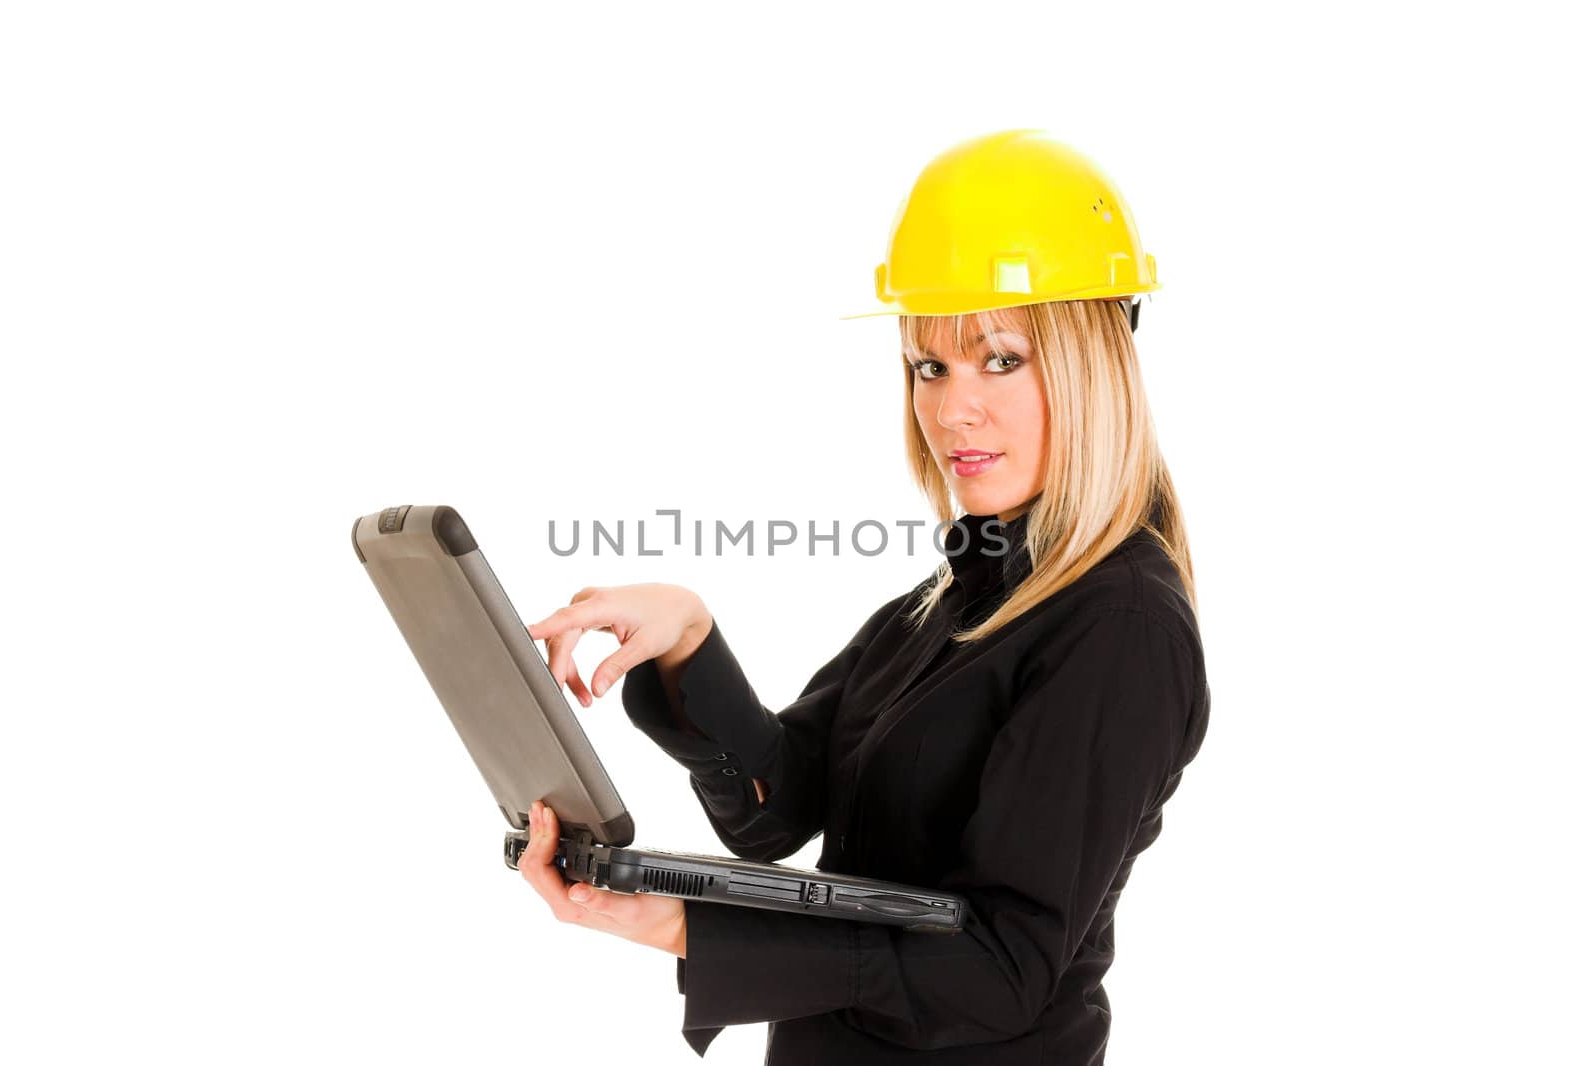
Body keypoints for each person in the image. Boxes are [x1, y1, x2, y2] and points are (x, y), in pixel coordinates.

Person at [519, 129, 1210, 1065]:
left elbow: (1000, 970)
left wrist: (689, 931)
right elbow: (775, 807)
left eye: (1000, 358)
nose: (950, 407)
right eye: (930, 365)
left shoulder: (1117, 627)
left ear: (1094, 361)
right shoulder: (954, 599)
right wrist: (688, 639)